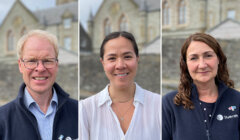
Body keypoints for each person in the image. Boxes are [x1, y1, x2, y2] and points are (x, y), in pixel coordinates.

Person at [80, 31, 160, 140]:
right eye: (112, 58)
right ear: (103, 63)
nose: (120, 65)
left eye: (127, 57)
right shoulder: (85, 109)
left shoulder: (159, 106)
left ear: (137, 59)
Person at [0, 30, 78, 140]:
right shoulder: (2, 119)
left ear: (56, 65)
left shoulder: (81, 112)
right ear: (20, 65)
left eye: (47, 60)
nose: (40, 68)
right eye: (31, 61)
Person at [162, 33, 240, 140]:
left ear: (219, 59)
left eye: (208, 56)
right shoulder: (169, 104)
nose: (202, 65)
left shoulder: (237, 100)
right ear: (185, 64)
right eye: (194, 58)